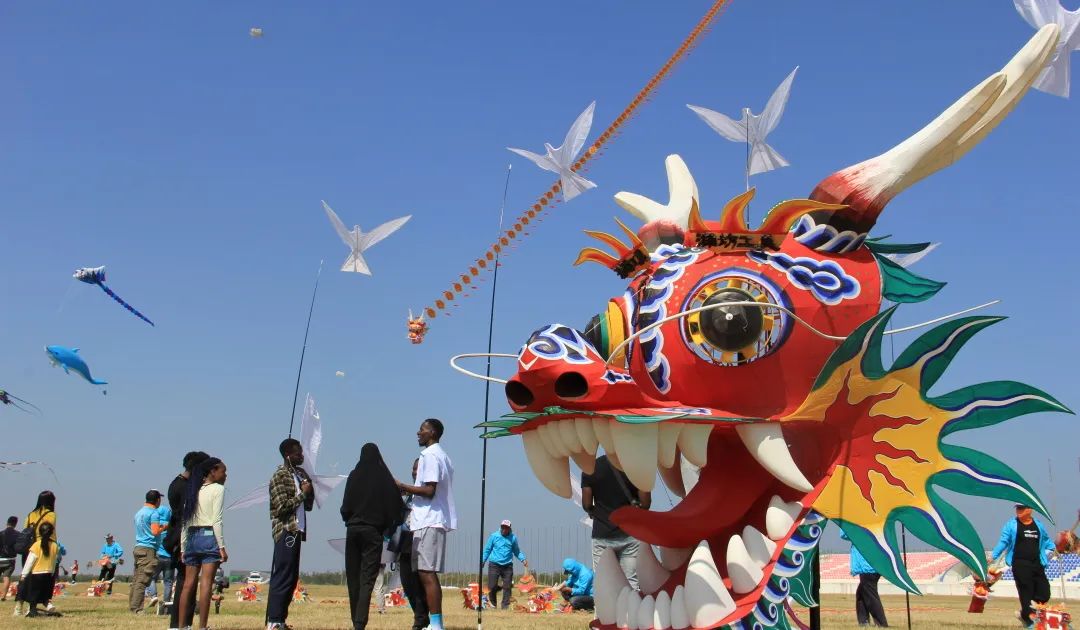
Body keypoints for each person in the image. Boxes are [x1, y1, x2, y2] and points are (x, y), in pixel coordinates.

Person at [396, 418, 456, 630]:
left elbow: (430, 491)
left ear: (432, 432)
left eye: (421, 429)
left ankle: (437, 625)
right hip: (429, 520)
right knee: (424, 572)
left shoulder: (430, 456)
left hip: (429, 519)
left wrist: (402, 485)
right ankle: (434, 623)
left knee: (427, 573)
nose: (418, 433)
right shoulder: (441, 456)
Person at [340, 443, 405, 630]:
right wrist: (387, 527)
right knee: (367, 579)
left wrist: (351, 518)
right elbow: (396, 508)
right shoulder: (384, 479)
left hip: (352, 531)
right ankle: (360, 623)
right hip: (373, 533)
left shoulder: (354, 475)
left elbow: (345, 506)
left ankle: (355, 620)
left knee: (353, 579)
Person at [265, 438, 314, 630]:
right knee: (283, 575)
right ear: (288, 455)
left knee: (291, 577)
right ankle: (274, 620)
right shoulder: (280, 476)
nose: (301, 456)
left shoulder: (298, 475)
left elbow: (306, 506)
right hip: (286, 530)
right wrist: (302, 493)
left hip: (297, 530)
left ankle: (280, 619)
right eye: (297, 453)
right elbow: (281, 508)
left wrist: (308, 490)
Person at [581, 454, 650, 589]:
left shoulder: (591, 467)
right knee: (631, 583)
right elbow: (646, 504)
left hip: (602, 534)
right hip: (630, 534)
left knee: (603, 584)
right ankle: (631, 610)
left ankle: (603, 611)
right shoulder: (636, 466)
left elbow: (587, 504)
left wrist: (594, 511)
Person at [177, 457, 228, 630]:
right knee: (206, 583)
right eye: (223, 471)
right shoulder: (218, 489)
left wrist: (183, 547)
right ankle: (202, 626)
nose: (225, 475)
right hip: (208, 536)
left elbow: (185, 521)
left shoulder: (193, 490)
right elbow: (217, 520)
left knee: (188, 585)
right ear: (213, 471)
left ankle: (183, 625)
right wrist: (221, 546)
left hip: (191, 537)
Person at [991, 503, 1056, 628]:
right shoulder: (1011, 525)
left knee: (1044, 593)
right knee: (1026, 592)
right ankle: (1030, 620)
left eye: (1021, 508)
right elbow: (1003, 541)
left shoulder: (1039, 525)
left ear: (1030, 509)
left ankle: (1024, 613)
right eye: (1017, 508)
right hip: (1020, 564)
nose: (1018, 510)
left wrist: (1054, 548)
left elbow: (1046, 541)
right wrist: (993, 556)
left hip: (1037, 564)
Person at [166, 450, 209, 629]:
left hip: (177, 536)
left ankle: (181, 622)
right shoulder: (185, 487)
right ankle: (180, 623)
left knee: (185, 582)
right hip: (183, 538)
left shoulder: (176, 483)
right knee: (186, 583)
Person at [396, 458, 429, 630]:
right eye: (413, 468)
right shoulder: (409, 494)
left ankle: (421, 618)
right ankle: (420, 615)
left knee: (418, 582)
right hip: (405, 540)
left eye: (418, 469)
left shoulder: (427, 492)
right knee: (406, 581)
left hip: (420, 539)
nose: (415, 472)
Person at [13, 491, 56, 616]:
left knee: (25, 578)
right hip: (43, 550)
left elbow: (25, 530)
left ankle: (19, 606)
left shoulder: (30, 514)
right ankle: (36, 605)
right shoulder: (51, 515)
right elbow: (49, 532)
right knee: (43, 580)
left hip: (29, 550)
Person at [841, 531, 887, 627]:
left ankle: (881, 623)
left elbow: (844, 533)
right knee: (861, 594)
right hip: (871, 567)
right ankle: (863, 621)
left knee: (871, 597)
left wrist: (845, 518)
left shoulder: (859, 531)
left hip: (867, 568)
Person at [130, 489, 166, 613]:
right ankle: (137, 609)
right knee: (143, 579)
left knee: (136, 579)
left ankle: (133, 605)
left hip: (138, 547)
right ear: (157, 500)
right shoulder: (154, 513)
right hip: (148, 549)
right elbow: (155, 531)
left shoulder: (139, 512)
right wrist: (164, 527)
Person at [481, 519, 528, 609]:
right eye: (503, 527)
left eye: (506, 528)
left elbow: (516, 551)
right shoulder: (494, 536)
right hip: (494, 565)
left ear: (509, 528)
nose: (504, 529)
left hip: (507, 566)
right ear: (500, 527)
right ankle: (493, 604)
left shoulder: (513, 538)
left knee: (507, 586)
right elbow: (487, 550)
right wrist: (483, 560)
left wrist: (523, 559)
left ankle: (505, 606)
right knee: (492, 586)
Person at [20, 522, 60, 618]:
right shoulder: (55, 545)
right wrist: (53, 572)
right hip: (49, 573)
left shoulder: (36, 545)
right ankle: (48, 604)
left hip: (37, 574)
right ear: (51, 533)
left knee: (33, 594)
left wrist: (24, 574)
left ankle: (32, 611)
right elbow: (55, 560)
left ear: (39, 533)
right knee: (45, 592)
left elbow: (30, 561)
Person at [146, 499, 174, 613]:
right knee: (168, 582)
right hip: (170, 558)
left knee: (151, 578)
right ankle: (166, 604)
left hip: (157, 557)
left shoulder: (155, 527)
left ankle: (153, 595)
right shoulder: (171, 528)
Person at [373, 541, 396, 615]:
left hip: (371, 564)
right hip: (379, 565)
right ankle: (381, 609)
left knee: (376, 588)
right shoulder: (384, 540)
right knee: (379, 588)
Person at [0, 517, 16, 602]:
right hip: (10, 560)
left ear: (7, 523)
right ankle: (3, 596)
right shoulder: (17, 534)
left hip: (0, 559)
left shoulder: (1, 533)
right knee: (6, 577)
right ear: (15, 524)